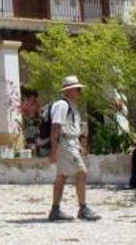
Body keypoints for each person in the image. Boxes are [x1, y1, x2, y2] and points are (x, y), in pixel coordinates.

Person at [47, 76, 100, 222]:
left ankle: (55, 210)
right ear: (69, 90)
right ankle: (83, 208)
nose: (80, 91)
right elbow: (55, 127)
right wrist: (54, 150)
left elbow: (66, 127)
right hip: (65, 145)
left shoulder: (69, 105)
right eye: (78, 89)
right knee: (81, 173)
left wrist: (76, 144)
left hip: (68, 144)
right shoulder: (62, 105)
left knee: (62, 176)